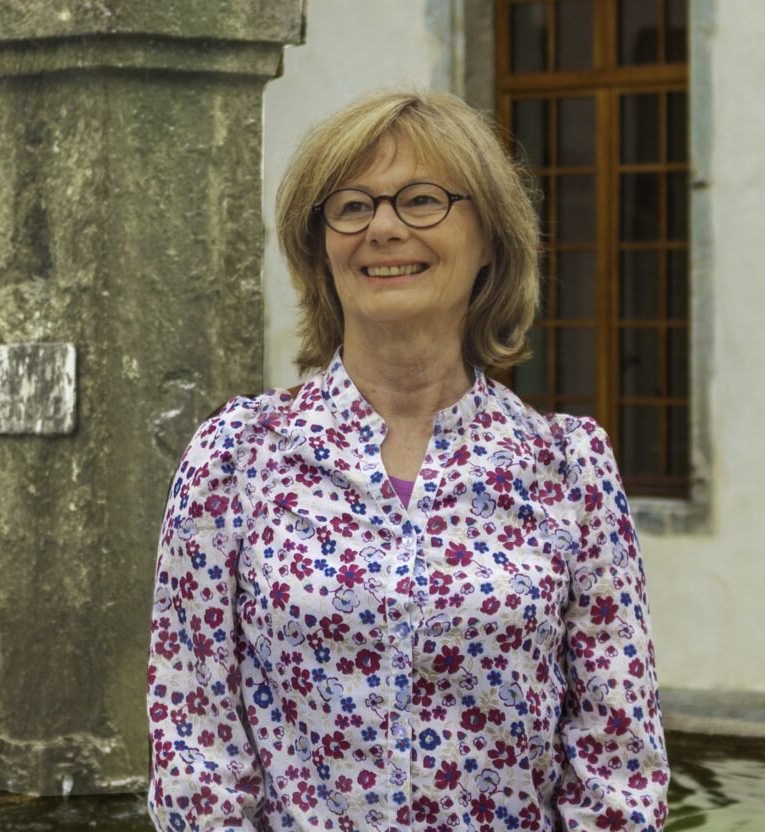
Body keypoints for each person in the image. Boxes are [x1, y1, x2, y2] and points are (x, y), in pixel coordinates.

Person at [147, 90, 669, 832]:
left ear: (490, 238)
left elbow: (617, 759)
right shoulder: (236, 456)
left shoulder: (568, 467)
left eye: (422, 200)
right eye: (352, 206)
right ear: (320, 248)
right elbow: (194, 745)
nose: (384, 228)